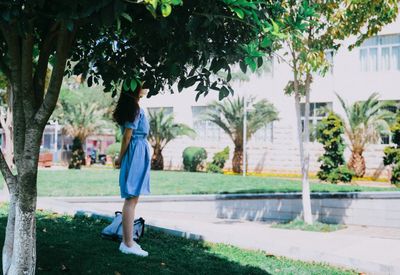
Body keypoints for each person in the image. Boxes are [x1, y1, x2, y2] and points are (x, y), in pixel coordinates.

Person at [113, 84, 150, 257]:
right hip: (135, 152)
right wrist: (120, 158)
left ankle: (128, 241)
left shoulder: (134, 107)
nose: (146, 87)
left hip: (138, 151)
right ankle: (127, 243)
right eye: (142, 85)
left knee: (133, 199)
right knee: (131, 199)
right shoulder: (135, 109)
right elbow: (127, 136)